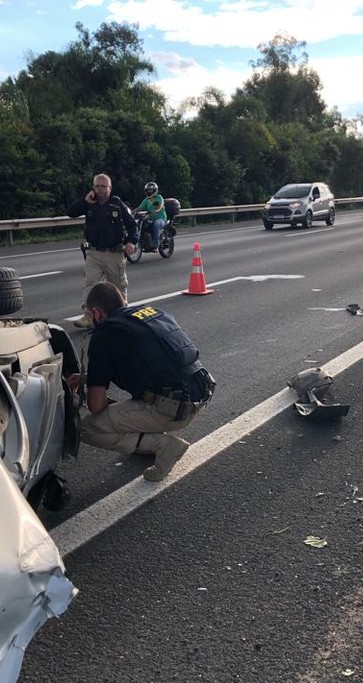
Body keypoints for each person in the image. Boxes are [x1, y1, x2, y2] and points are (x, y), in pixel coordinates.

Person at [75, 282, 215, 481]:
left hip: (172, 410)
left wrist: (91, 389)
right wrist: (88, 378)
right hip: (199, 395)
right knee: (133, 404)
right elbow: (148, 364)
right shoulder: (151, 314)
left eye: (90, 315)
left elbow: (95, 405)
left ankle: (162, 446)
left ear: (96, 313)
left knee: (86, 427)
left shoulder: (104, 335)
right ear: (122, 301)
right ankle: (146, 440)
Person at [67, 173, 137, 328]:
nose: (100, 189)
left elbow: (132, 225)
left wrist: (131, 242)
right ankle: (88, 315)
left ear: (110, 188)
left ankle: (121, 315)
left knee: (117, 286)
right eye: (97, 186)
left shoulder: (117, 204)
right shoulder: (89, 203)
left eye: (103, 186)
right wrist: (84, 202)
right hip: (94, 252)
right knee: (90, 283)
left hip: (114, 253)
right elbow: (71, 212)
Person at [133, 181, 166, 251]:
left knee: (156, 224)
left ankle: (156, 245)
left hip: (161, 219)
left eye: (151, 190)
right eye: (148, 190)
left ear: (155, 190)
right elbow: (140, 208)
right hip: (150, 219)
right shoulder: (146, 200)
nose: (149, 191)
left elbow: (160, 205)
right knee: (142, 225)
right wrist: (132, 212)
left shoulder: (159, 197)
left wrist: (156, 210)